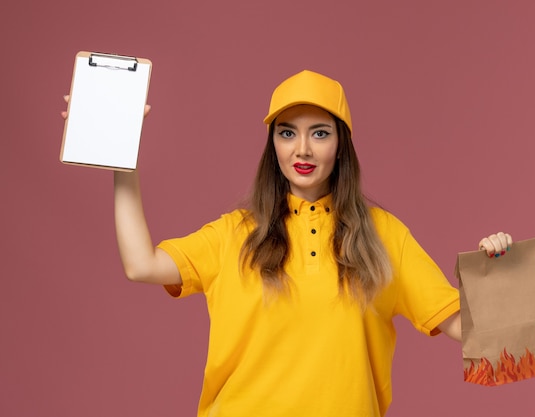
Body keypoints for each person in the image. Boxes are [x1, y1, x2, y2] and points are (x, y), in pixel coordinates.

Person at [62, 70, 512, 417]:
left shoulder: (383, 236)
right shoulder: (235, 233)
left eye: (320, 132)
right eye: (286, 132)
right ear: (272, 145)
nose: (303, 149)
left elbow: (472, 334)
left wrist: (500, 274)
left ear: (341, 145)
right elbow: (141, 265)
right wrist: (123, 163)